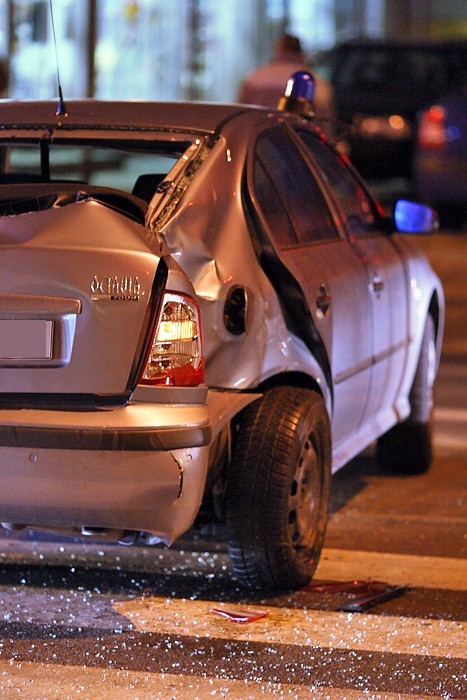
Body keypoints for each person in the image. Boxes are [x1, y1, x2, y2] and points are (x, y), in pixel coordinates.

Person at [237, 34, 335, 138]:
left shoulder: (255, 79)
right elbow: (326, 129)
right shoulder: (319, 84)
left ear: (278, 49)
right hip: (303, 148)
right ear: (300, 51)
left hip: (258, 147)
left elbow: (238, 118)